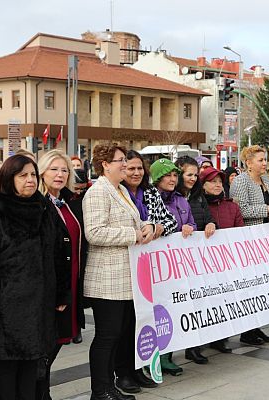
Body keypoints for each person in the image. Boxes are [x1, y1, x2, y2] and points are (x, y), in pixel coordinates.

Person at [0, 154, 70, 400]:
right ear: (8, 179)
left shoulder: (44, 208)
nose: (30, 180)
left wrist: (61, 292)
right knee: (8, 365)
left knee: (33, 363)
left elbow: (59, 253)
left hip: (41, 302)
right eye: (22, 175)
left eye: (33, 175)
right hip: (7, 305)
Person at [83, 145, 153, 400]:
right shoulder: (97, 192)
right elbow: (94, 232)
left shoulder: (120, 190)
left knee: (119, 334)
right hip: (106, 279)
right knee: (106, 337)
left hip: (125, 277)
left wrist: (149, 226)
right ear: (105, 164)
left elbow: (135, 220)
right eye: (121, 161)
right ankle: (100, 390)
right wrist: (133, 235)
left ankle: (110, 387)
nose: (125, 164)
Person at [115, 150, 177, 393]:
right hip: (121, 266)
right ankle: (122, 373)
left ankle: (137, 369)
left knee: (141, 321)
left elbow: (171, 220)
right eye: (131, 168)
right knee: (122, 324)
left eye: (140, 168)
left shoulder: (150, 193)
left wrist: (158, 225)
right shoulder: (117, 192)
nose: (136, 173)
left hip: (147, 268)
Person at [36, 150, 87, 399]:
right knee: (46, 345)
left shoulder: (66, 202)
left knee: (57, 342)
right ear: (41, 172)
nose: (60, 174)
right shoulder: (38, 203)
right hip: (50, 287)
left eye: (64, 170)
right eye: (54, 169)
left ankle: (42, 390)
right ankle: (40, 392)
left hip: (71, 282)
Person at [230, 145, 269, 345]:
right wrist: (267, 210)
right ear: (249, 162)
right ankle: (247, 331)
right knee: (250, 287)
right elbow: (239, 209)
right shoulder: (240, 181)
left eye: (265, 160)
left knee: (263, 286)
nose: (265, 163)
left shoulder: (266, 181)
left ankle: (258, 327)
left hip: (266, 240)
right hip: (249, 240)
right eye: (261, 160)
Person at [151, 158, 195, 376]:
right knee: (158, 310)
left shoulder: (181, 200)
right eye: (167, 175)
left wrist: (190, 227)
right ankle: (154, 356)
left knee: (174, 309)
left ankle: (167, 355)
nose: (172, 179)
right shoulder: (151, 199)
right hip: (157, 265)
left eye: (174, 175)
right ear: (158, 178)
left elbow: (193, 224)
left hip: (178, 264)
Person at [176, 156, 216, 365]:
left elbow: (208, 216)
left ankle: (195, 347)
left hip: (199, 255)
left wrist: (210, 223)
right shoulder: (174, 196)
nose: (192, 178)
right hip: (180, 257)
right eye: (188, 174)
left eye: (195, 174)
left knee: (198, 302)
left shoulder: (198, 196)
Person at [199, 166, 241, 355]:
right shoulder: (198, 205)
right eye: (212, 182)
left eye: (219, 182)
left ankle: (221, 338)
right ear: (203, 185)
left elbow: (241, 231)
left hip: (227, 262)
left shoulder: (231, 206)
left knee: (224, 299)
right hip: (203, 263)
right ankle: (200, 342)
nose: (217, 185)